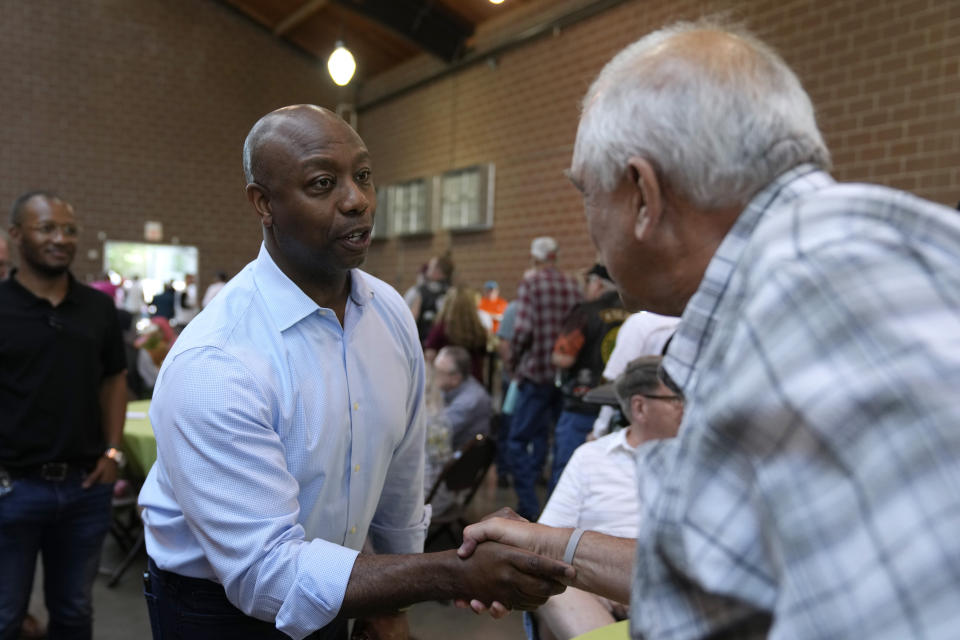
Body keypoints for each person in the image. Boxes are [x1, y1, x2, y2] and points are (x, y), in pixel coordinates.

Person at [461, 19, 960, 638]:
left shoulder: (806, 314)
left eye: (588, 194)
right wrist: (549, 546)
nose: (589, 225)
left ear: (643, 195)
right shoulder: (850, 260)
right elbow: (729, 567)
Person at [137, 105, 572, 640]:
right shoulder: (216, 361)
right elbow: (266, 575)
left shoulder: (388, 315)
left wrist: (390, 604)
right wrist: (445, 573)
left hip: (343, 587)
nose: (357, 200)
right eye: (323, 183)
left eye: (363, 176)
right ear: (263, 203)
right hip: (220, 613)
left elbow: (401, 483)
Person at [0, 191, 128, 639]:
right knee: (4, 615)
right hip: (10, 488)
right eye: (47, 228)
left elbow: (114, 379)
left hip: (84, 490)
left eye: (69, 229)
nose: (61, 238)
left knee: (74, 611)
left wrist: (113, 451)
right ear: (17, 234)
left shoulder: (98, 309)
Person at [528, 356, 682, 640]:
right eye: (676, 399)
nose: (686, 407)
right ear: (639, 406)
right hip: (594, 595)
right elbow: (544, 540)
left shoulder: (701, 464)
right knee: (551, 585)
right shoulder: (592, 458)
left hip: (669, 596)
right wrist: (600, 583)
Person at [508, 236, 582, 520]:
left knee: (517, 441)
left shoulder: (531, 283)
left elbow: (524, 330)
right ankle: (552, 508)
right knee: (549, 440)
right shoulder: (571, 285)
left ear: (535, 258)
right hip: (563, 377)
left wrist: (514, 361)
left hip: (536, 373)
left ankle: (528, 507)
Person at [548, 263, 628, 490]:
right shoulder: (635, 312)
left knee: (568, 475)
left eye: (588, 282)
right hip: (620, 407)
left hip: (582, 403)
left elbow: (563, 358)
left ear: (598, 283)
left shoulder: (585, 312)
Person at [432, 345, 493, 452]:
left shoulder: (470, 400)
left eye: (439, 372)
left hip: (460, 460)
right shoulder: (452, 387)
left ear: (455, 378)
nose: (434, 375)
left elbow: (438, 432)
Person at [423, 286, 489, 382]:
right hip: (473, 381)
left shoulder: (442, 327)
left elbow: (430, 355)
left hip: (448, 382)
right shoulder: (477, 328)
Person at [409, 252, 454, 343]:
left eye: (430, 267)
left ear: (437, 272)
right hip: (443, 342)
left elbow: (411, 320)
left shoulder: (421, 291)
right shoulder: (452, 292)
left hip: (423, 341)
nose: (427, 270)